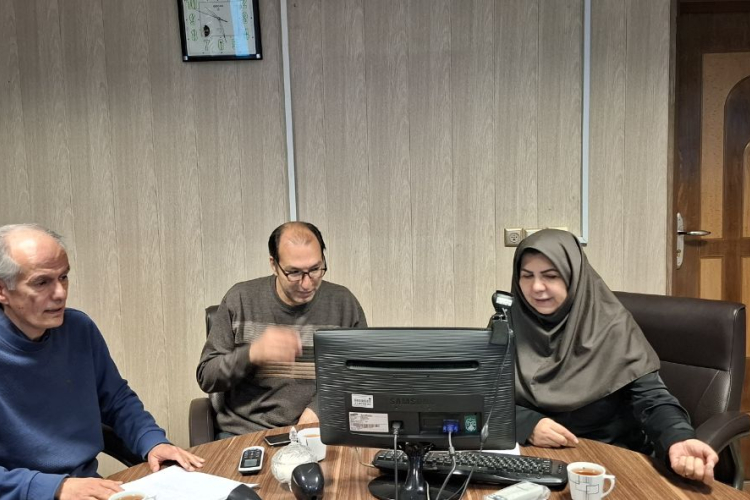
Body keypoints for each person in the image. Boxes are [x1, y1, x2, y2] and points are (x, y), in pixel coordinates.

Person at [0, 223, 204, 500]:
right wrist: (54, 488)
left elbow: (116, 400)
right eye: (42, 282)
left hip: (86, 487)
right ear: (3, 290)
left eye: (63, 277)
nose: (60, 293)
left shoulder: (78, 328)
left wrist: (152, 441)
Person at [510, 228, 719, 484]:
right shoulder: (507, 324)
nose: (536, 287)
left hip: (607, 463)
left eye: (551, 276)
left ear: (574, 277)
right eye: (527, 276)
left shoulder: (612, 326)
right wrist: (527, 423)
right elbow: (484, 397)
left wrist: (679, 438)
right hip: (529, 459)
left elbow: (652, 400)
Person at [197, 221, 367, 436]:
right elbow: (207, 377)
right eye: (294, 273)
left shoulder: (344, 304)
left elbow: (359, 375)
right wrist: (252, 354)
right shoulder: (239, 300)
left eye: (315, 269)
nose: (306, 284)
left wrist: (319, 409)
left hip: (319, 429)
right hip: (248, 432)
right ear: (274, 265)